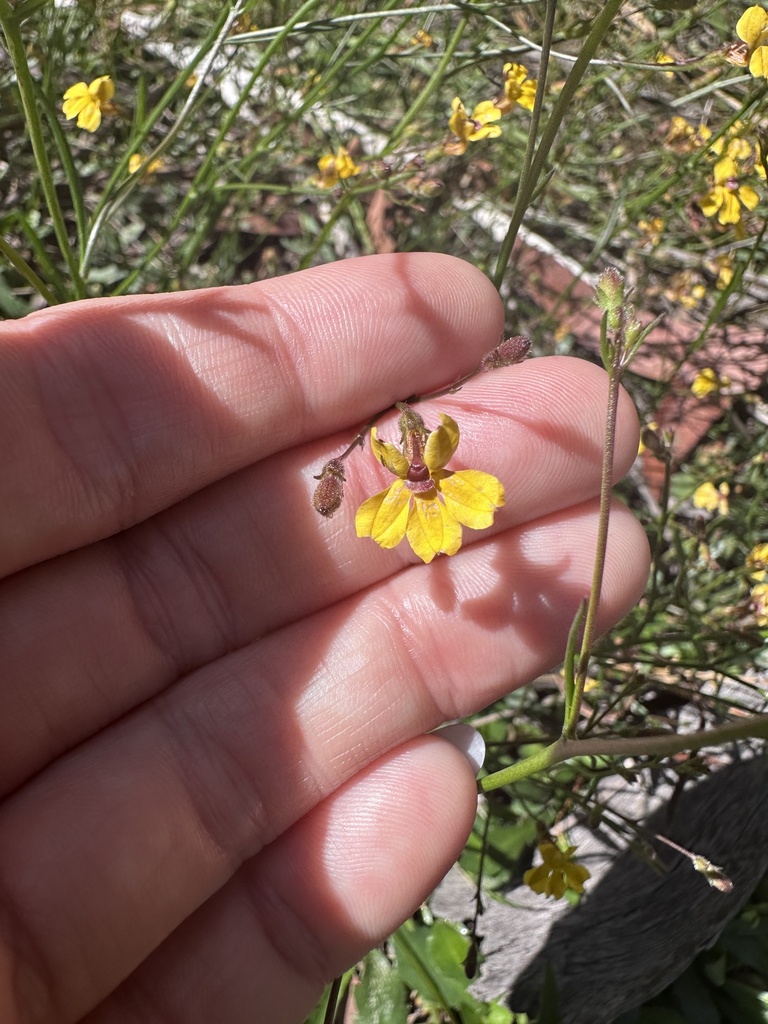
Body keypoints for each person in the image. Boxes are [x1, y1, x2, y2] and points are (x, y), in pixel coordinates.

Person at [0, 252, 649, 1023]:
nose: (416, 474)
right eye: (411, 467)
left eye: (419, 468)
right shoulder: (399, 467)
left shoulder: (428, 462)